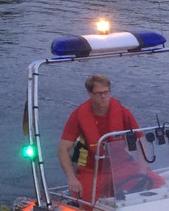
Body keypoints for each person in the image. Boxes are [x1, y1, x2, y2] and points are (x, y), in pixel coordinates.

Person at [57, 73, 140, 202]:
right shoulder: (79, 115)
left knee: (155, 184)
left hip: (121, 165)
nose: (103, 96)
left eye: (106, 92)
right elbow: (63, 149)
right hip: (92, 170)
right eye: (98, 93)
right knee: (86, 203)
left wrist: (143, 168)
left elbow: (141, 140)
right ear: (90, 94)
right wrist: (71, 178)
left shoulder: (122, 112)